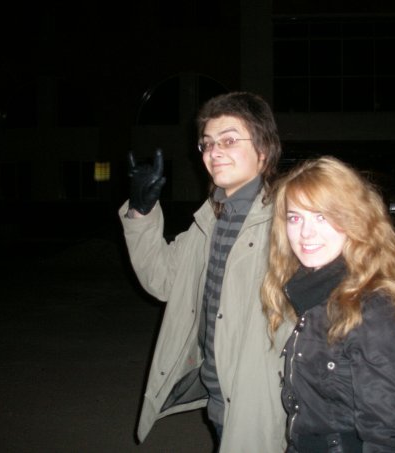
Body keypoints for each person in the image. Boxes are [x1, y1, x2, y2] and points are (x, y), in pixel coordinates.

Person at [119, 92, 293, 452]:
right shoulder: (211, 220)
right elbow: (163, 280)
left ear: (263, 150)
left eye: (229, 140)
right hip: (217, 394)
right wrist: (140, 212)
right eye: (208, 143)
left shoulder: (290, 223)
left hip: (262, 405)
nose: (214, 152)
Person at [261, 156, 395, 452]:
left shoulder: (378, 311)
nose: (305, 233)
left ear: (355, 219)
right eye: (295, 218)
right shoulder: (311, 294)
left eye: (322, 217)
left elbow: (386, 438)